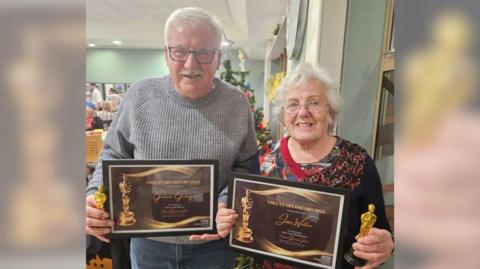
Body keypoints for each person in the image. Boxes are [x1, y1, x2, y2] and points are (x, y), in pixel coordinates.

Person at [85, 7, 258, 269]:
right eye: (179, 51)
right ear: (166, 54)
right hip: (149, 245)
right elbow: (113, 154)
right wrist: (93, 194)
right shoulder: (140, 96)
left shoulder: (237, 104)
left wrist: (225, 203)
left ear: (218, 57)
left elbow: (247, 168)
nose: (191, 64)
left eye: (203, 52)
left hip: (212, 246)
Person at [257, 63, 394, 269]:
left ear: (330, 112)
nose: (303, 112)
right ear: (283, 114)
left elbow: (380, 229)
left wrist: (384, 245)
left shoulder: (357, 161)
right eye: (293, 104)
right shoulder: (262, 159)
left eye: (314, 103)